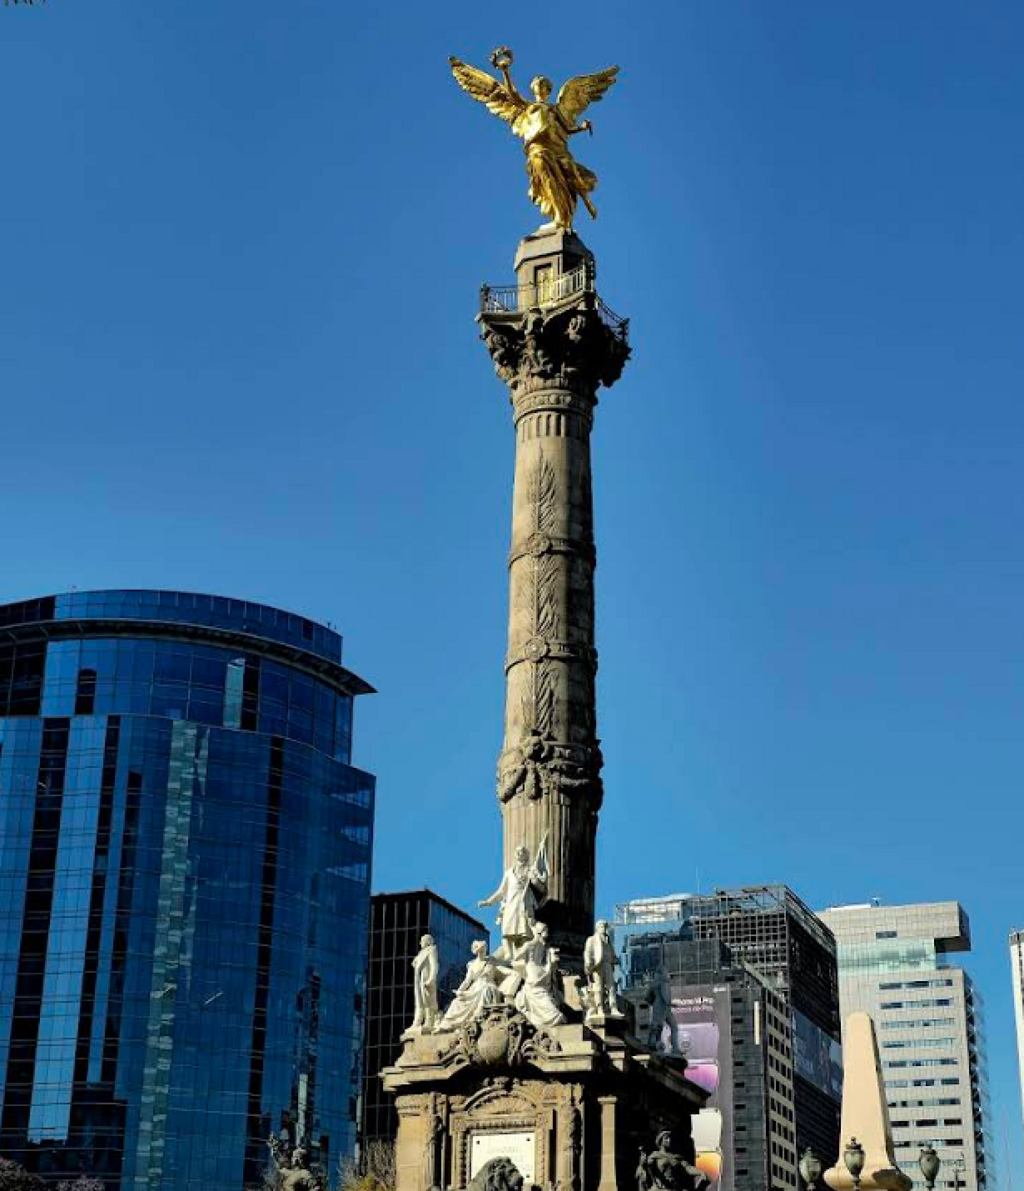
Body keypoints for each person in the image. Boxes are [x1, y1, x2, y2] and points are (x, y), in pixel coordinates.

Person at [479, 838, 548, 959]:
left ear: (526, 855)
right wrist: (488, 902)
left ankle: (521, 957)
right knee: (506, 933)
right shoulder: (508, 873)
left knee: (524, 932)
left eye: (522, 852)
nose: (519, 854)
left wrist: (536, 879)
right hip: (510, 905)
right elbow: (501, 891)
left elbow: (540, 887)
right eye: (517, 852)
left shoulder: (529, 870)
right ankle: (509, 955)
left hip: (524, 904)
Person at [437, 941, 503, 1031]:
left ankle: (477, 1019)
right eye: (481, 950)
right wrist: (459, 991)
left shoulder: (491, 961)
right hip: (475, 988)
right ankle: (446, 1026)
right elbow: (467, 981)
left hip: (488, 985)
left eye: (484, 950)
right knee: (457, 1002)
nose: (483, 952)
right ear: (477, 952)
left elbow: (504, 957)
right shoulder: (472, 965)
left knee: (485, 992)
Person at [513, 922, 566, 1030]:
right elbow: (517, 957)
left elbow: (517, 956)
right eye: (545, 930)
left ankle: (549, 1015)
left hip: (541, 971)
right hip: (534, 971)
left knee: (542, 993)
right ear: (539, 931)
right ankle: (552, 1016)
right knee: (538, 992)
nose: (547, 933)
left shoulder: (542, 946)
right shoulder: (532, 944)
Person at [583, 919, 621, 1019]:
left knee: (611, 987)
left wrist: (615, 959)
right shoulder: (592, 939)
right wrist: (588, 964)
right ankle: (599, 1008)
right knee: (598, 988)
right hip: (598, 966)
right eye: (601, 926)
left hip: (608, 965)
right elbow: (587, 952)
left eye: (604, 926)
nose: (603, 928)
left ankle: (613, 1008)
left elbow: (612, 953)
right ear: (597, 928)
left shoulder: (608, 940)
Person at [410, 933, 439, 1034]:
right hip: (418, 979)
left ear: (427, 941)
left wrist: (431, 979)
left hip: (426, 978)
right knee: (419, 1001)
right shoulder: (421, 953)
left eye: (422, 940)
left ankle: (429, 1021)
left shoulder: (431, 950)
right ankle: (417, 1021)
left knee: (427, 1000)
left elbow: (434, 965)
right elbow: (415, 964)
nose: (420, 942)